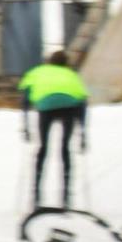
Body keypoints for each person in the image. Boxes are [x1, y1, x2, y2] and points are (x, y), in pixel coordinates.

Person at [19, 51, 89, 210]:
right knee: (65, 149)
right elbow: (82, 100)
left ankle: (36, 196)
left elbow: (25, 97)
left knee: (43, 148)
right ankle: (66, 197)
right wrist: (83, 132)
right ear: (66, 63)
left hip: (46, 105)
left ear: (48, 62)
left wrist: (25, 125)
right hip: (69, 106)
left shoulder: (37, 72)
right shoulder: (71, 74)